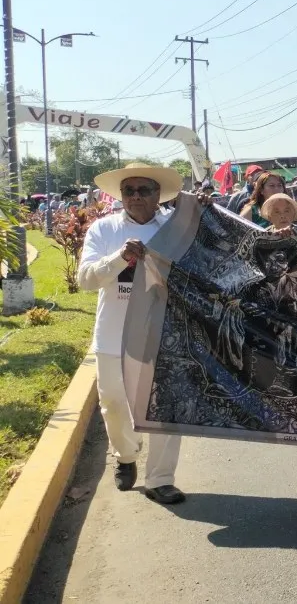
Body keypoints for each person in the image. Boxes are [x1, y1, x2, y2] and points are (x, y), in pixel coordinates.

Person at [79, 163, 187, 503]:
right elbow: (85, 280)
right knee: (113, 403)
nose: (136, 196)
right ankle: (125, 455)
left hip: (165, 333)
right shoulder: (103, 228)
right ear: (121, 195)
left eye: (144, 190)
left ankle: (161, 478)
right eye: (129, 190)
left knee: (166, 407)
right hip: (113, 334)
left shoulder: (177, 227)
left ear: (159, 194)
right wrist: (120, 257)